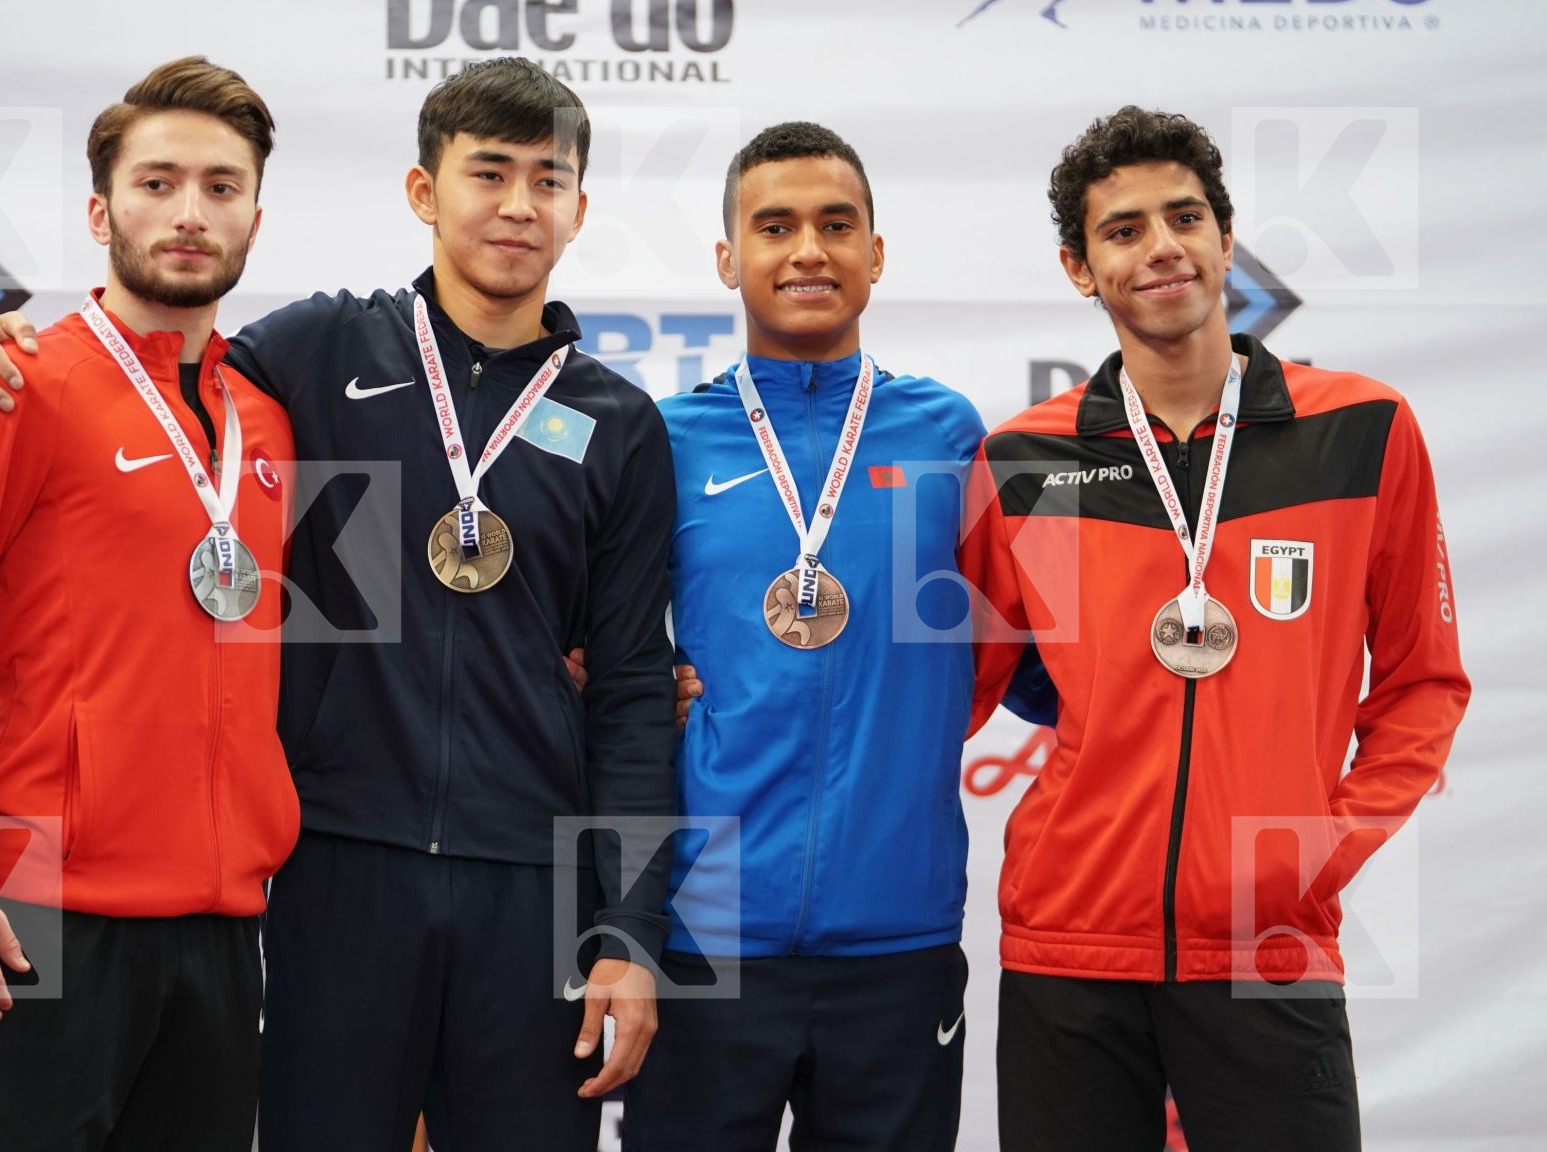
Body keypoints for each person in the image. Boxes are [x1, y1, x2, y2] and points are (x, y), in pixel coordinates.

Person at [0, 57, 676, 1152]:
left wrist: (628, 931)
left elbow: (632, 693)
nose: (518, 205)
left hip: (532, 885)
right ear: (425, 193)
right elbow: (151, 356)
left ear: (579, 208)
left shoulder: (618, 423)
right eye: (488, 173)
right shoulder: (321, 353)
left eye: (548, 179)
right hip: (334, 869)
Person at [958, 105, 1470, 1151]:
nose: (1161, 248)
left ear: (1226, 241)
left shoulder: (1361, 429)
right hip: (1068, 946)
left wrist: (1318, 846)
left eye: (1183, 217)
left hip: (1267, 942)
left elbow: (1425, 681)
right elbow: (962, 681)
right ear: (1079, 267)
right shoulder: (1023, 461)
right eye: (1124, 229)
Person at [0, 56, 298, 1151]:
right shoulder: (20, 385)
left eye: (220, 187)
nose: (188, 213)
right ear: (100, 208)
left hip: (226, 927)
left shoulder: (271, 418)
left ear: (255, 216)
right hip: (44, 919)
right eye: (156, 183)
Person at [627, 122, 1046, 1151]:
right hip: (703, 930)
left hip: (897, 934)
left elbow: (1036, 657)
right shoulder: (663, 440)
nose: (807, 249)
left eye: (835, 224)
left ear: (876, 254)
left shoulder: (950, 434)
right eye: (774, 226)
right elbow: (592, 659)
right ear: (728, 257)